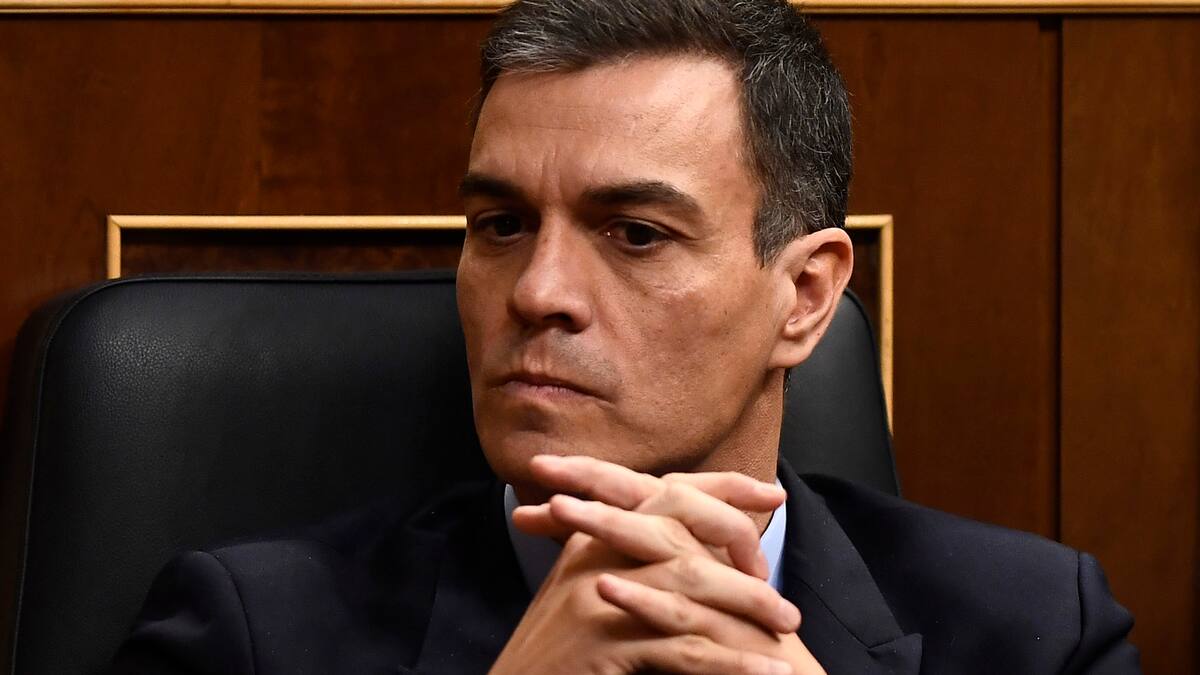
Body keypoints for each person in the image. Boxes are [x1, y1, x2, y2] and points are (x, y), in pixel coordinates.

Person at [111, 1, 1140, 673]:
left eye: (636, 234)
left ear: (804, 296)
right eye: (501, 225)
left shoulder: (1039, 630)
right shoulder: (251, 633)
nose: (538, 292)